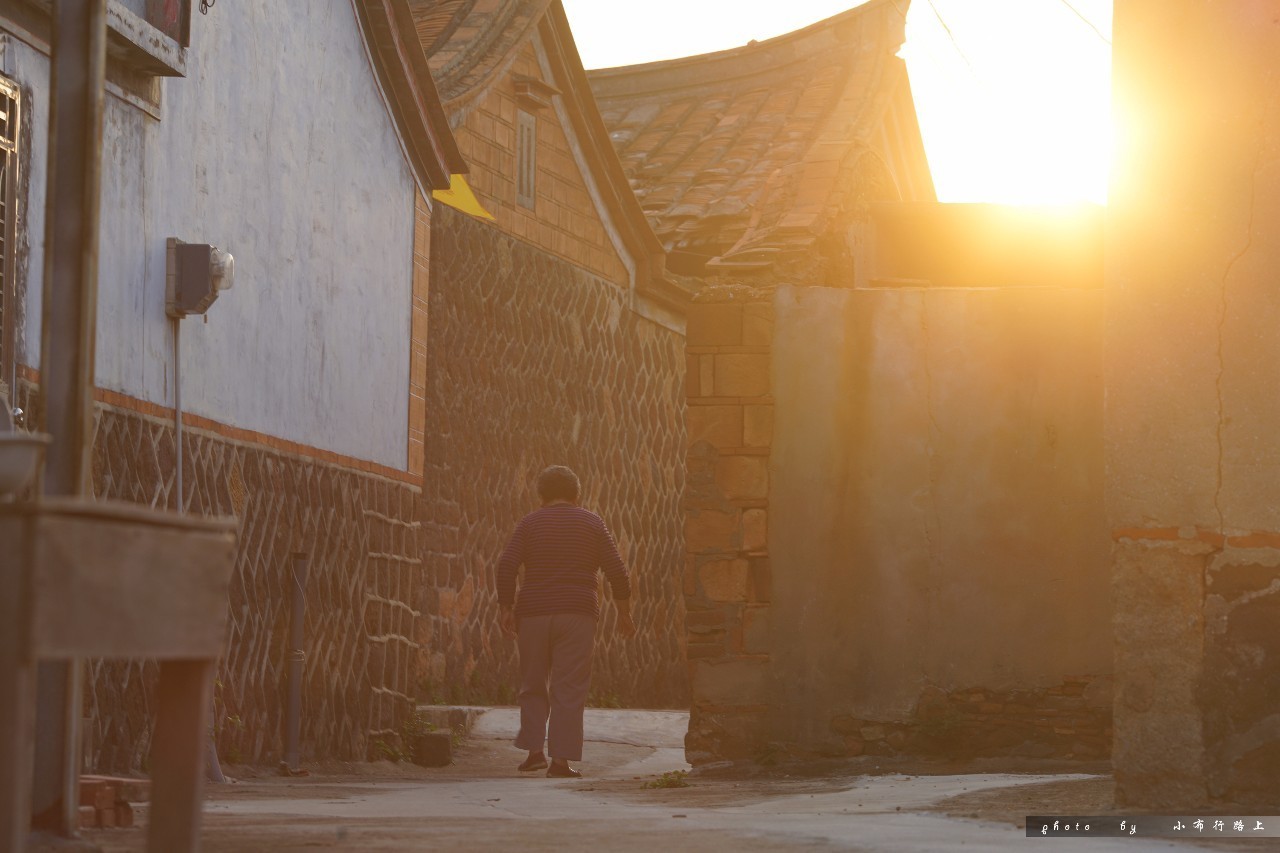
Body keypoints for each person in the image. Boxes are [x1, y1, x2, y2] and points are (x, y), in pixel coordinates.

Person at [495, 464, 636, 778]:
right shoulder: (591, 523)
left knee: (532, 682)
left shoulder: (530, 523)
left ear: (541, 496)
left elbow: (507, 565)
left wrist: (506, 606)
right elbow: (617, 571)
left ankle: (534, 753)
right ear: (577, 494)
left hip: (532, 613)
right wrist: (624, 613)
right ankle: (560, 761)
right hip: (577, 613)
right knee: (568, 687)